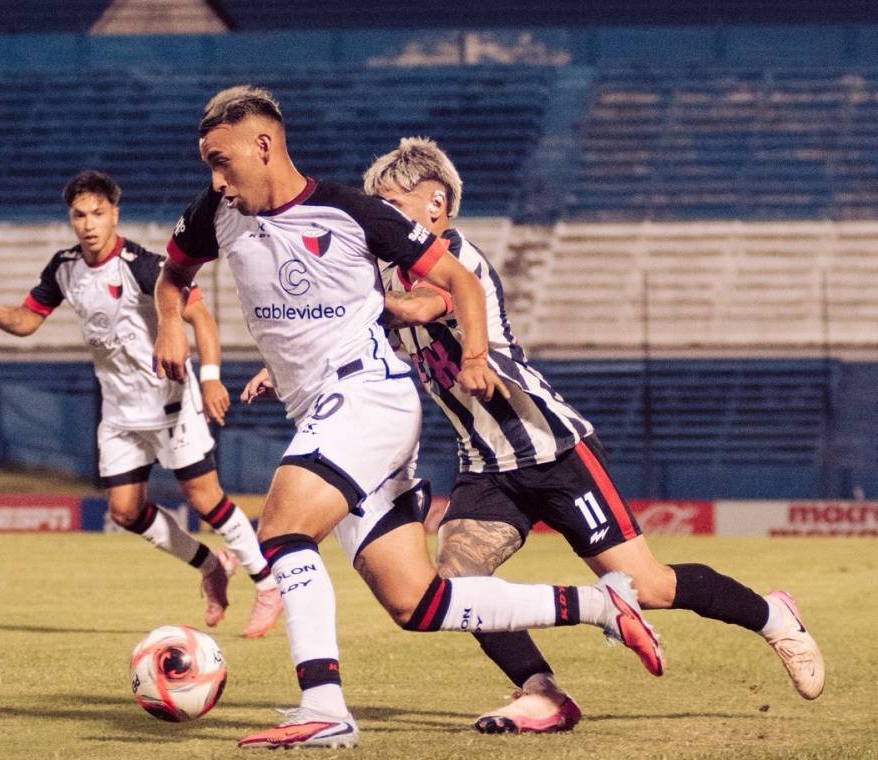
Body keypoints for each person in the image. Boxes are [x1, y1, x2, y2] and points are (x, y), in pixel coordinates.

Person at [153, 86, 666, 751]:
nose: (217, 180)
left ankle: (324, 707)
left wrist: (474, 355)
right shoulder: (215, 213)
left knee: (280, 526)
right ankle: (602, 603)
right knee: (418, 602)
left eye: (222, 162)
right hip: (322, 414)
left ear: (264, 145)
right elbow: (173, 276)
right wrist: (171, 323)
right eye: (208, 166)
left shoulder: (351, 212)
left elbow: (461, 281)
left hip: (368, 395)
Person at [358, 136, 825, 732]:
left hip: (553, 450)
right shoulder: (390, 276)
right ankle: (542, 693)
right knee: (458, 583)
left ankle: (775, 617)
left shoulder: (454, 258)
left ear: (436, 204)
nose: (382, 221)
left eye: (392, 206)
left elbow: (421, 307)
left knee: (648, 587)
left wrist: (355, 298)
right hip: (485, 464)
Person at [0, 169, 282, 639]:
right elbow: (28, 321)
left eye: (97, 213)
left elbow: (201, 318)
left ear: (114, 214)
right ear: (71, 219)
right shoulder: (64, 267)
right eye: (80, 215)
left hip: (170, 402)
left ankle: (267, 584)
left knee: (205, 499)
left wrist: (212, 379)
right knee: (125, 512)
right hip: (119, 413)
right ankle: (211, 566)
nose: (89, 224)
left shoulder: (141, 266)